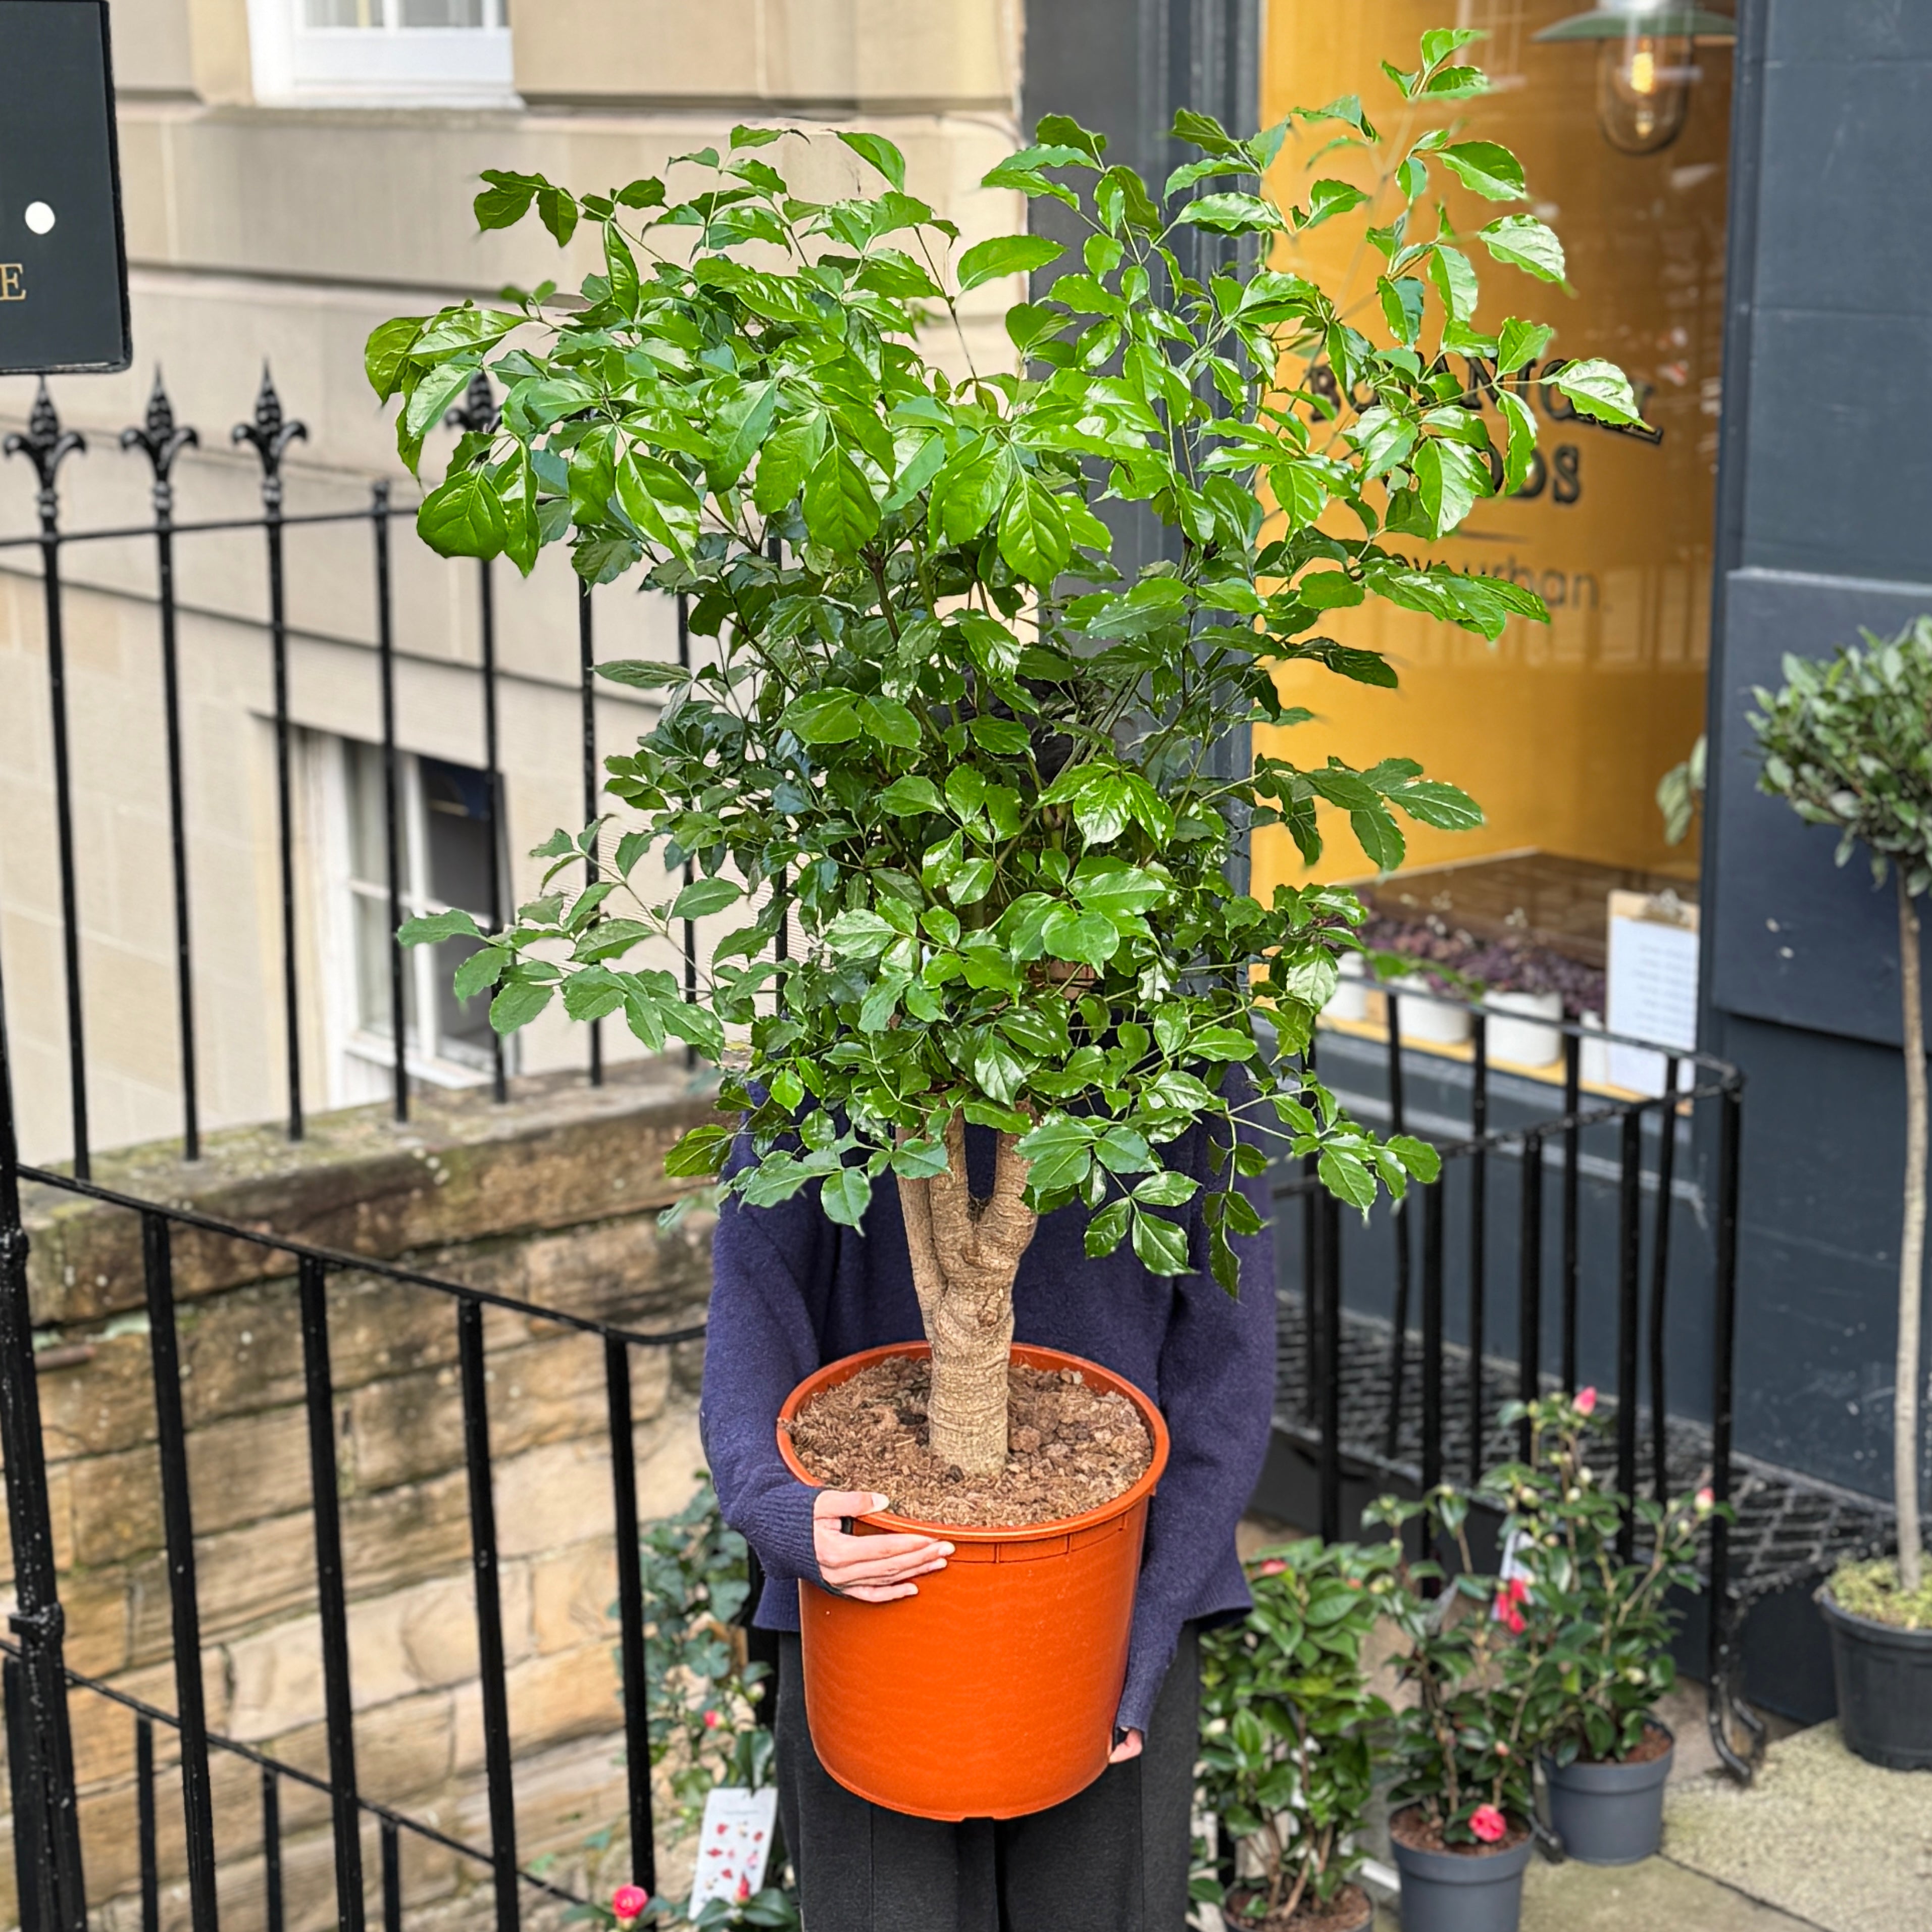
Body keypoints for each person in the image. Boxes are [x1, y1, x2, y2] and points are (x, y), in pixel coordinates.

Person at [700, 1103, 1276, 1932]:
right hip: (867, 1599)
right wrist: (777, 1507)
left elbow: (1227, 1376)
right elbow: (753, 1311)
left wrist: (1147, 1616)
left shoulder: (1192, 1077)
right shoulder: (830, 1054)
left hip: (1113, 1608)